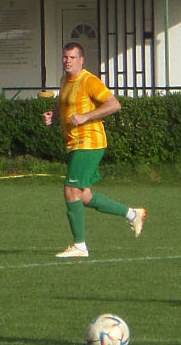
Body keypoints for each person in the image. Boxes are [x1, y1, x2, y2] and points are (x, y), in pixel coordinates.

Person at [42, 40, 146, 258]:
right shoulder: (64, 80)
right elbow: (63, 105)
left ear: (81, 60)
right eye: (65, 57)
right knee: (84, 195)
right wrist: (54, 115)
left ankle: (80, 246)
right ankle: (132, 214)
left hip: (89, 142)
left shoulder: (89, 80)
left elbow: (114, 104)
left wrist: (86, 117)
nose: (68, 61)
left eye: (72, 57)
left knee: (71, 190)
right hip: (74, 144)